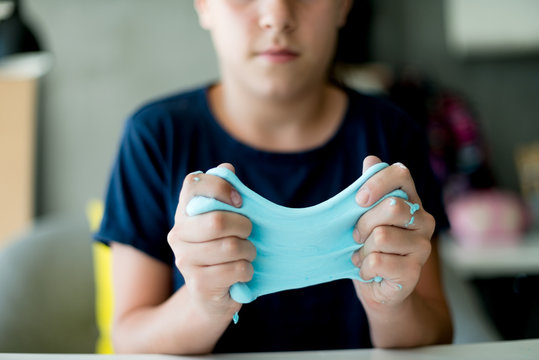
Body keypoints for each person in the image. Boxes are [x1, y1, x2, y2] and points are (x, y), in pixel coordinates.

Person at [95, 0, 453, 354]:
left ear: (344, 6)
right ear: (204, 5)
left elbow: (437, 333)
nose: (278, 17)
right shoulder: (157, 137)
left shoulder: (393, 132)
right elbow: (128, 339)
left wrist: (389, 303)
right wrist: (205, 306)